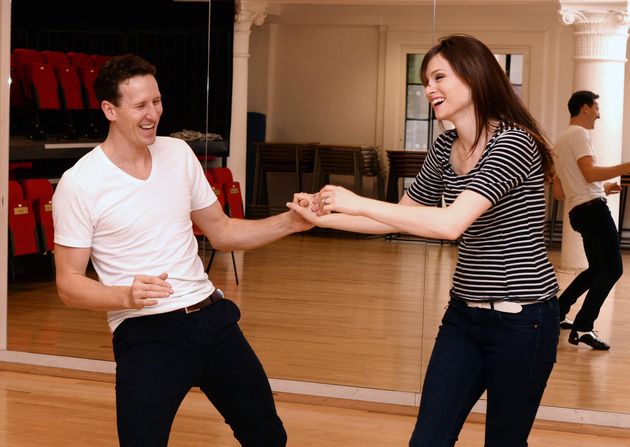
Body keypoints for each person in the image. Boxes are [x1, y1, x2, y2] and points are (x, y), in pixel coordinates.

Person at [289, 34, 559, 447]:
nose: (428, 88)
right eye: (425, 80)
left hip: (524, 322)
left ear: (474, 76)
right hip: (463, 319)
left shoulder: (513, 143)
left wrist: (357, 202)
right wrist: (326, 218)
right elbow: (401, 217)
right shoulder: (446, 145)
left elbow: (451, 223)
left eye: (438, 77)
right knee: (428, 439)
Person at [52, 54, 312, 446]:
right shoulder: (81, 183)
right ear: (109, 109)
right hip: (146, 332)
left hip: (212, 318)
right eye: (139, 105)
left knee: (268, 436)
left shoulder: (177, 153)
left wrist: (291, 222)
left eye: (156, 101)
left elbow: (221, 232)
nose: (152, 113)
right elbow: (68, 283)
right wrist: (125, 294)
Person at [552, 90, 628, 350]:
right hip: (594, 213)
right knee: (613, 269)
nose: (599, 114)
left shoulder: (560, 141)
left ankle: (558, 312)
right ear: (585, 108)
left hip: (579, 212)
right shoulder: (579, 134)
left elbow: (561, 192)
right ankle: (583, 327)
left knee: (597, 269)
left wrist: (603, 188)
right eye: (596, 108)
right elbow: (589, 173)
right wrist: (626, 166)